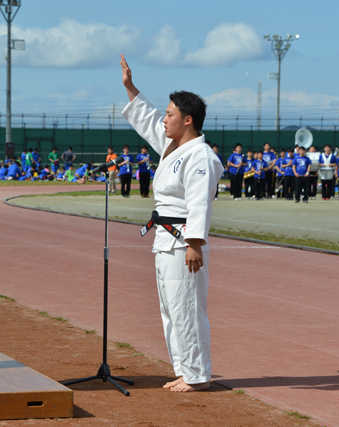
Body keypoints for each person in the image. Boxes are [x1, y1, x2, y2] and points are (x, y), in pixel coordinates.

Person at [120, 54, 223, 393]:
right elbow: (148, 120)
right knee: (171, 309)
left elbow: (198, 203)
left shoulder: (200, 156)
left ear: (188, 120)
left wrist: (195, 243)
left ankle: (197, 376)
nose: (164, 119)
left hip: (182, 241)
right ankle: (185, 369)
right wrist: (131, 88)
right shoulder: (172, 147)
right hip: (164, 239)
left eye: (170, 114)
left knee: (187, 309)